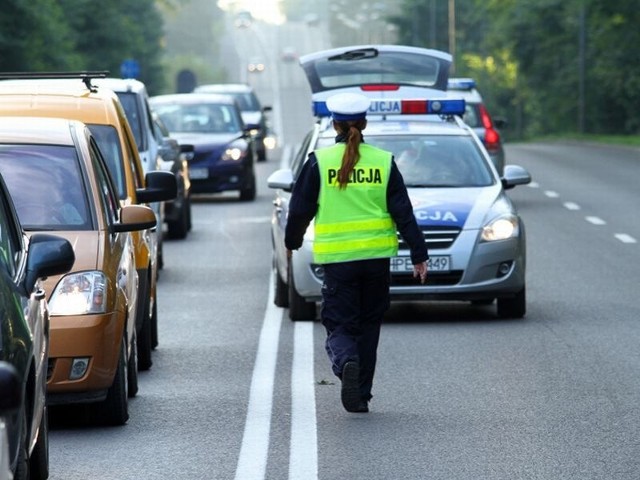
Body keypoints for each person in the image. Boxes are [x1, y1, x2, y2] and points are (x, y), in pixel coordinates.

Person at [284, 92, 429, 413]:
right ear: (364, 123)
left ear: (333, 124)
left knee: (340, 325)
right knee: (369, 325)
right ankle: (361, 394)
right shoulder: (383, 162)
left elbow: (299, 210)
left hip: (340, 263)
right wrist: (419, 254)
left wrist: (292, 242)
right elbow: (403, 212)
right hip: (376, 262)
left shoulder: (319, 163)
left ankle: (346, 362)